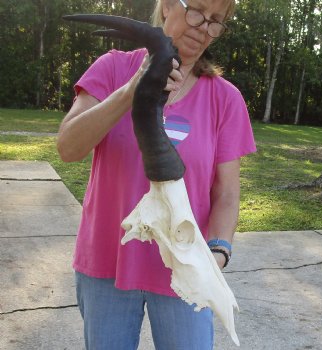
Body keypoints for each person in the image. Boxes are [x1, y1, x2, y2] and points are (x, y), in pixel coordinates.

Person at [57, 0, 256, 349]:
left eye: (215, 21)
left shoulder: (225, 98)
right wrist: (134, 87)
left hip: (186, 268)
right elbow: (68, 148)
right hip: (107, 262)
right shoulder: (113, 68)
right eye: (196, 10)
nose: (202, 27)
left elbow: (225, 192)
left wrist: (218, 252)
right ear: (166, 6)